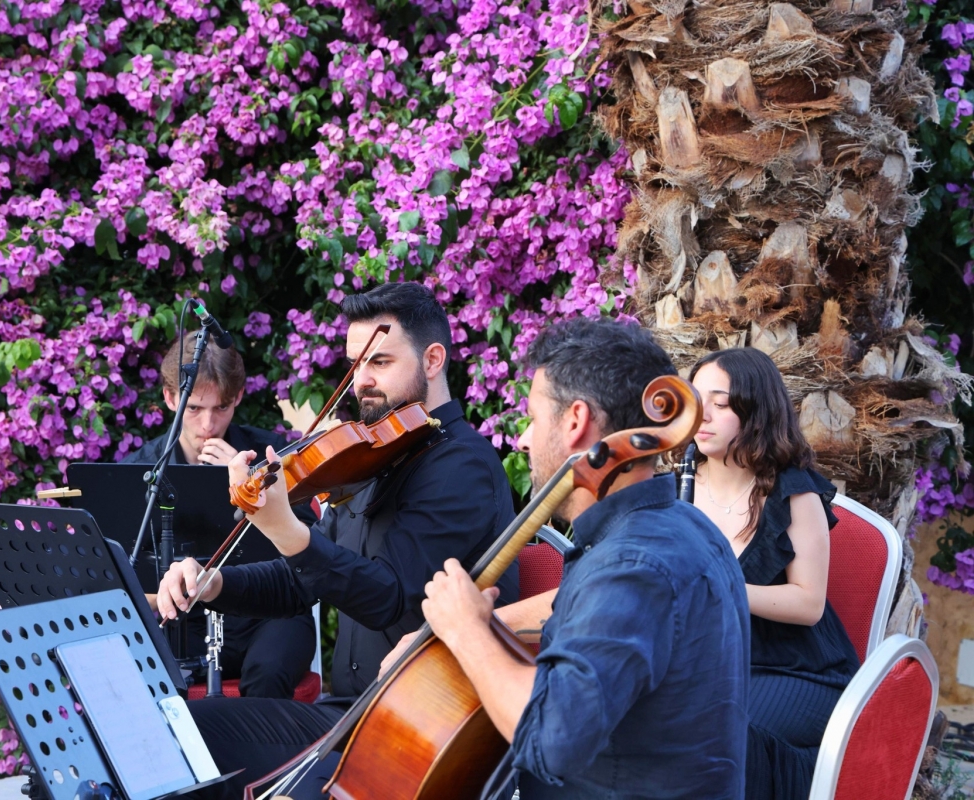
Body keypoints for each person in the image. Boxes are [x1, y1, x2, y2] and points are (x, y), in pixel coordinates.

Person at [156, 281, 519, 798]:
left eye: (380, 362)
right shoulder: (376, 453)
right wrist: (215, 584)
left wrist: (286, 530)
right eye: (356, 364)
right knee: (176, 728)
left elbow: (389, 597)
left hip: (414, 728)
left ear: (433, 359)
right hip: (349, 715)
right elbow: (300, 583)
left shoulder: (460, 466)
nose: (361, 380)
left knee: (199, 749)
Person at [397, 318, 750, 798]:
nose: (524, 439)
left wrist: (466, 631)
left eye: (533, 418)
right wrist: (471, 628)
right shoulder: (688, 528)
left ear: (575, 421)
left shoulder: (631, 565)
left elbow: (551, 739)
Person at [689, 347, 859, 800]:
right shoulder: (675, 488)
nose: (702, 415)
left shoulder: (794, 491)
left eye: (721, 404)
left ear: (756, 412)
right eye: (696, 400)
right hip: (708, 666)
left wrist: (724, 587)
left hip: (795, 670)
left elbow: (809, 603)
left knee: (716, 729)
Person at [124, 333, 317, 700]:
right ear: (170, 398)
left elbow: (309, 549)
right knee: (148, 678)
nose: (208, 425)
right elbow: (124, 573)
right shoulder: (139, 470)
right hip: (185, 620)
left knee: (268, 673)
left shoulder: (270, 454)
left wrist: (253, 483)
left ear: (238, 397)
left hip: (268, 613)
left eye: (221, 407)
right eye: (194, 408)